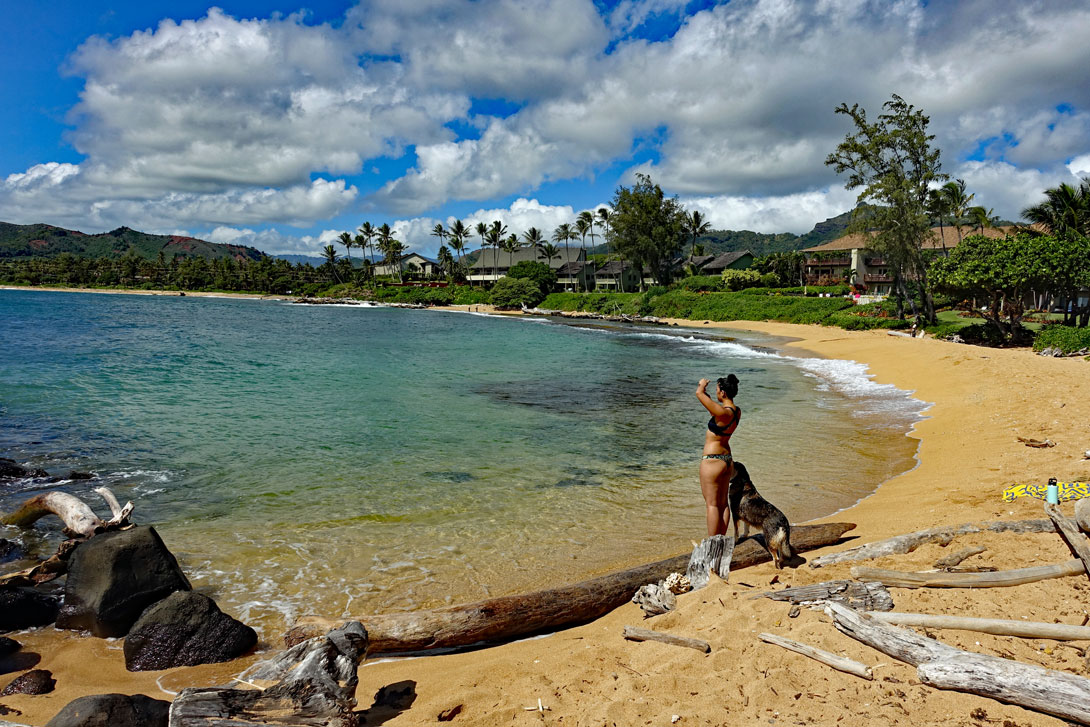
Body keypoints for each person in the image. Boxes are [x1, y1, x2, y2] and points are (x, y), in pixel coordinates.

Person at [696, 375, 741, 537]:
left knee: (712, 505)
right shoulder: (736, 412)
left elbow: (699, 394)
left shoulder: (722, 413)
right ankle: (720, 541)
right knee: (723, 504)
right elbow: (712, 406)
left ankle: (712, 545)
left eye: (717, 390)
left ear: (722, 392)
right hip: (727, 461)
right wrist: (708, 394)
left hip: (712, 461)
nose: (716, 393)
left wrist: (701, 386)